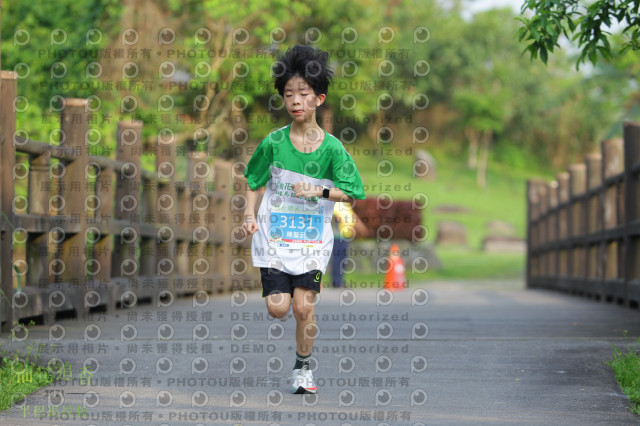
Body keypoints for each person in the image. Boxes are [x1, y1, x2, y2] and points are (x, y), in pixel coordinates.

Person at [242, 45, 365, 394]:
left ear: (319, 98)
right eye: (288, 95)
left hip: (312, 242)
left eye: (303, 94)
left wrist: (320, 192)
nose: (295, 101)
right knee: (279, 309)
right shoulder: (273, 143)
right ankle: (300, 356)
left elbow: (353, 191)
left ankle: (302, 369)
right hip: (277, 242)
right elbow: (253, 180)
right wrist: (249, 213)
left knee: (302, 307)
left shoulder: (332, 149)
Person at [331, 202, 369, 287]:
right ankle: (336, 281)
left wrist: (360, 226)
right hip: (338, 236)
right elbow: (337, 217)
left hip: (346, 236)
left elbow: (352, 216)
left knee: (343, 260)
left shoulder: (345, 204)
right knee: (338, 260)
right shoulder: (336, 203)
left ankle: (340, 280)